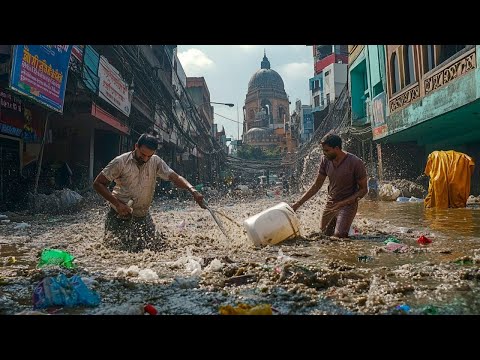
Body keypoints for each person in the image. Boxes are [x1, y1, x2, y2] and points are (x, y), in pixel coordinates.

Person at [93, 133, 206, 252]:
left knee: (157, 249)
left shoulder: (155, 161)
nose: (145, 159)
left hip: (143, 216)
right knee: (116, 252)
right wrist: (117, 204)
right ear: (136, 146)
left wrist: (193, 191)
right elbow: (98, 183)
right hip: (119, 216)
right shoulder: (120, 162)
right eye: (142, 154)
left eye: (149, 156)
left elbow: (175, 177)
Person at [291, 133, 368, 238]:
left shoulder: (355, 163)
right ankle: (346, 227)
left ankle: (345, 227)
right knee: (323, 235)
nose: (324, 153)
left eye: (327, 150)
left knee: (339, 235)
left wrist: (343, 203)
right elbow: (316, 186)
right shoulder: (325, 160)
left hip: (348, 205)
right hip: (331, 203)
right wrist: (298, 204)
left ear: (336, 148)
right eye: (323, 150)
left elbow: (364, 190)